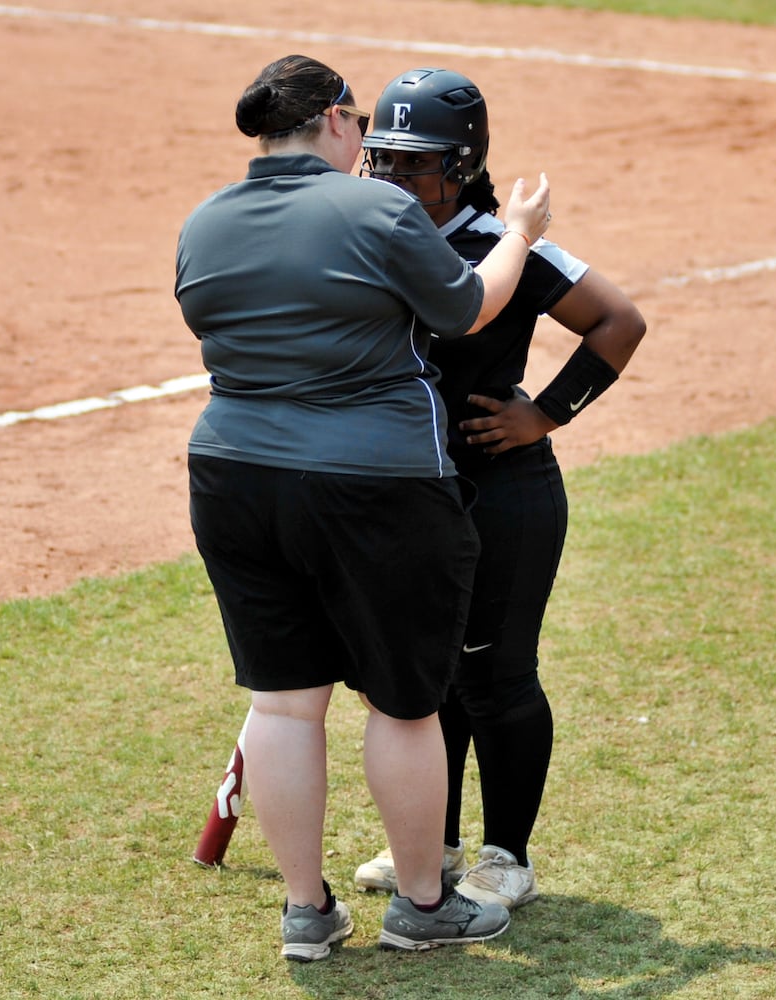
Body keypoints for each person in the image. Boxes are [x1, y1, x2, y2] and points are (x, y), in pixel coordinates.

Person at [174, 55, 552, 961]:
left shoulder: (204, 220)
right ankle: (424, 906)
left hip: (231, 477)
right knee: (405, 705)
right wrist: (522, 233)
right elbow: (465, 309)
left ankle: (307, 914)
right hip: (374, 487)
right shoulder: (376, 207)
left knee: (282, 706)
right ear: (340, 120)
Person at [354, 68, 646, 909]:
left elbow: (618, 320)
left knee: (496, 677)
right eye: (383, 159)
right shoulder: (369, 231)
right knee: (425, 676)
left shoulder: (501, 244)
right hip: (409, 495)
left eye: (419, 164)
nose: (397, 179)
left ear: (466, 163)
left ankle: (505, 856)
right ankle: (433, 844)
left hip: (504, 494)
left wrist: (545, 414)